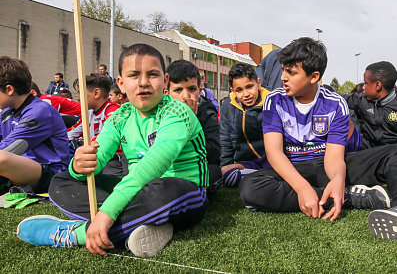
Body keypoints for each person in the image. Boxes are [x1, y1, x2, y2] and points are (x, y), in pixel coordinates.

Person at [238, 38, 397, 252]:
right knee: (251, 187)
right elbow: (274, 152)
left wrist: (338, 180)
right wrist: (302, 189)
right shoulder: (274, 99)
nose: (283, 77)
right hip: (294, 169)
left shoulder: (335, 104)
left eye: (291, 72)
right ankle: (354, 197)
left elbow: (333, 157)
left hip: (331, 165)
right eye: (283, 71)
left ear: (314, 76)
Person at [17, 44, 209, 258]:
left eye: (152, 75)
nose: (143, 82)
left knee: (161, 191)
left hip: (183, 191)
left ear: (164, 81)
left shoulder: (177, 111)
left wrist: (107, 214)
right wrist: (79, 165)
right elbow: (99, 158)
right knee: (60, 182)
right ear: (121, 83)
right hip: (135, 190)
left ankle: (78, 232)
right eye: (134, 75)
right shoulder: (119, 116)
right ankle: (145, 223)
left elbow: (153, 165)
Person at [0, 56, 69, 194]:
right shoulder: (7, 111)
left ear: (9, 89)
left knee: (1, 159)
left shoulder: (39, 111)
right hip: (21, 169)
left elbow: (9, 149)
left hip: (52, 173)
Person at [165, 60, 222, 193]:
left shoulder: (207, 112)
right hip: (169, 168)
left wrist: (191, 122)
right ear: (167, 93)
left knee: (214, 172)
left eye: (191, 89)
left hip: (196, 167)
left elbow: (214, 152)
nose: (185, 96)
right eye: (178, 90)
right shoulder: (161, 112)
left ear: (200, 91)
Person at [219, 63, 270, 187]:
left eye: (249, 87)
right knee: (227, 173)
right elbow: (225, 138)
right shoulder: (228, 105)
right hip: (247, 162)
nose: (246, 94)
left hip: (271, 160)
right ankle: (260, 175)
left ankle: (267, 175)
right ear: (232, 90)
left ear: (258, 83)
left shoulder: (271, 101)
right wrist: (225, 165)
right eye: (239, 90)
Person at [67, 74, 119, 142]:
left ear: (96, 93)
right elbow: (71, 133)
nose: (78, 98)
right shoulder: (89, 113)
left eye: (81, 93)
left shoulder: (113, 111)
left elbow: (107, 139)